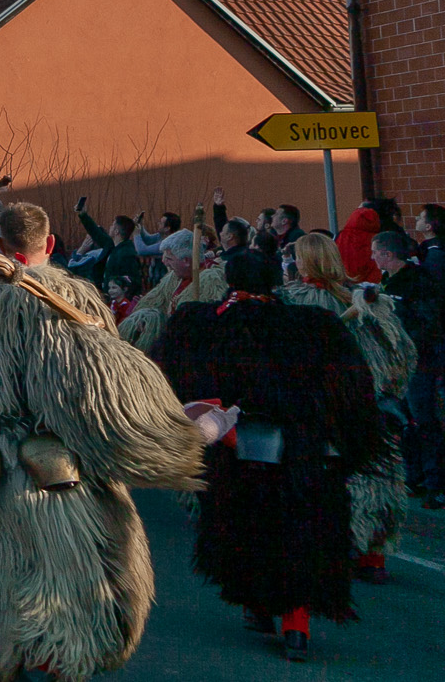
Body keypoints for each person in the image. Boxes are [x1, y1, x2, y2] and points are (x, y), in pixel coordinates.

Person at [0, 202, 204, 681]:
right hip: (44, 480)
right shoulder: (68, 299)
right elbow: (85, 394)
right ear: (51, 245)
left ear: (1, 244)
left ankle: (5, 664)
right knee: (66, 594)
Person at [158, 248, 385, 662]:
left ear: (230, 279)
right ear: (276, 280)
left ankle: (258, 604)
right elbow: (353, 390)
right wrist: (348, 444)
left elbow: (165, 383)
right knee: (300, 527)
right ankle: (296, 621)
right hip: (303, 451)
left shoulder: (197, 325)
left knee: (246, 524)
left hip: (234, 447)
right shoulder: (315, 325)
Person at [280, 233, 416, 583]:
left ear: (303, 261)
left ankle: (334, 549)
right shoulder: (365, 298)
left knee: (321, 476)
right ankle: (372, 554)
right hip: (369, 403)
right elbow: (399, 353)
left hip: (321, 407)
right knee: (375, 476)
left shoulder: (292, 302)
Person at [371, 229, 445, 508]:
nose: (372, 257)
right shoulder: (387, 281)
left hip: (418, 363)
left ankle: (437, 485)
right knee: (402, 422)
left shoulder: (418, 282)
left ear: (388, 255)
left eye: (375, 252)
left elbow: (428, 324)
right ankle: (412, 477)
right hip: (394, 363)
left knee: (424, 422)